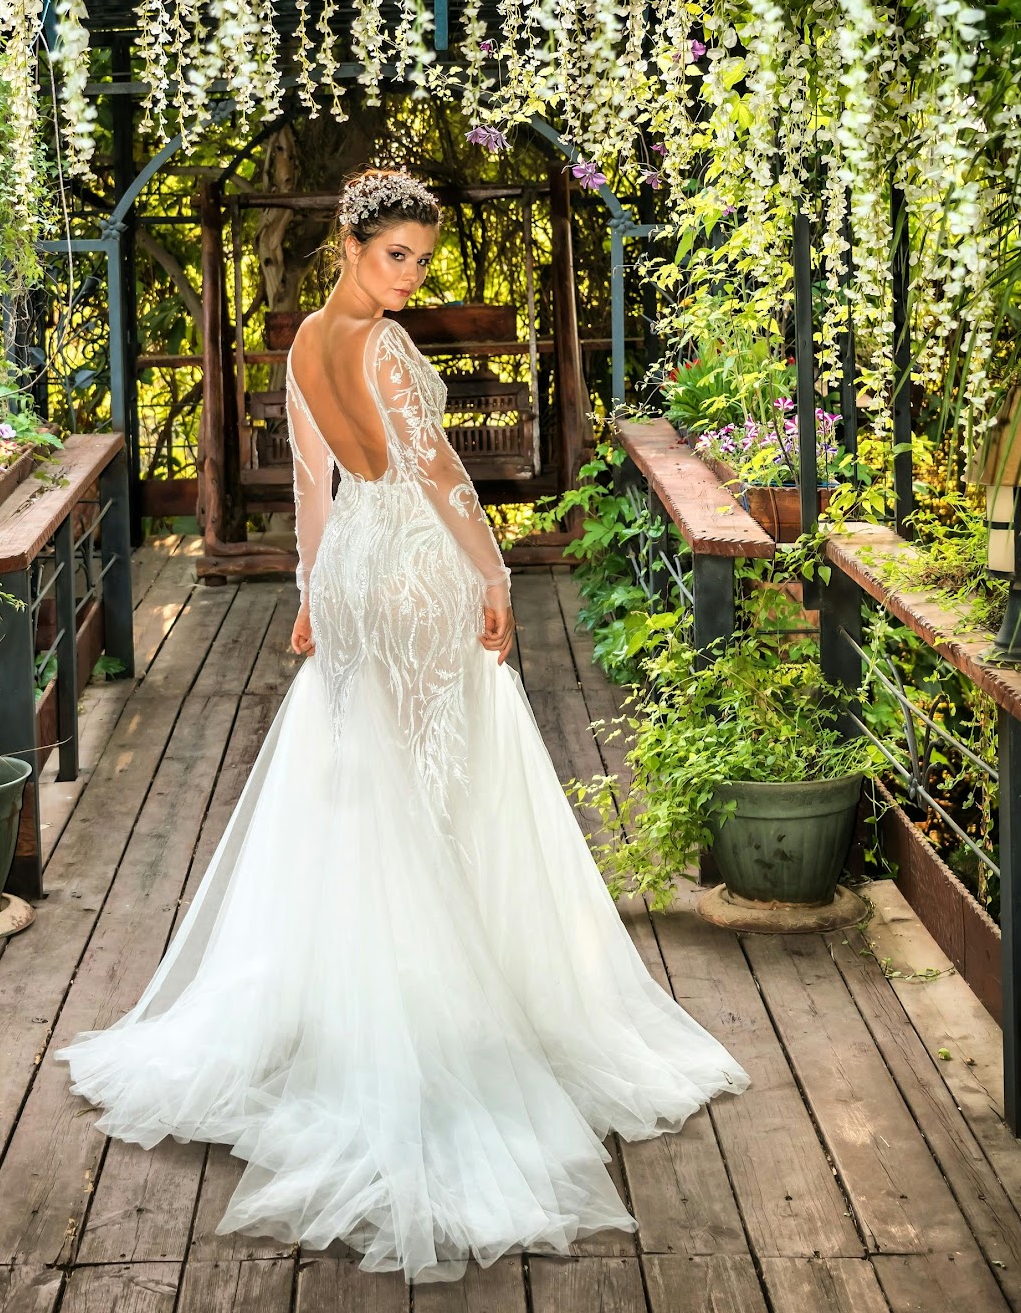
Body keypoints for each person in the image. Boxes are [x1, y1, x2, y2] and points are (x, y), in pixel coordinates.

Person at [58, 167, 749, 1284]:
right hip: (414, 573)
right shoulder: (372, 348)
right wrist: (492, 574)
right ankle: (435, 1027)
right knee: (436, 788)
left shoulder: (299, 347)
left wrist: (307, 593)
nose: (410, 274)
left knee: (373, 784)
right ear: (349, 239)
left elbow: (316, 489)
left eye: (421, 259)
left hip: (353, 578)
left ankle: (380, 1009)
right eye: (397, 256)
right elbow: (436, 475)